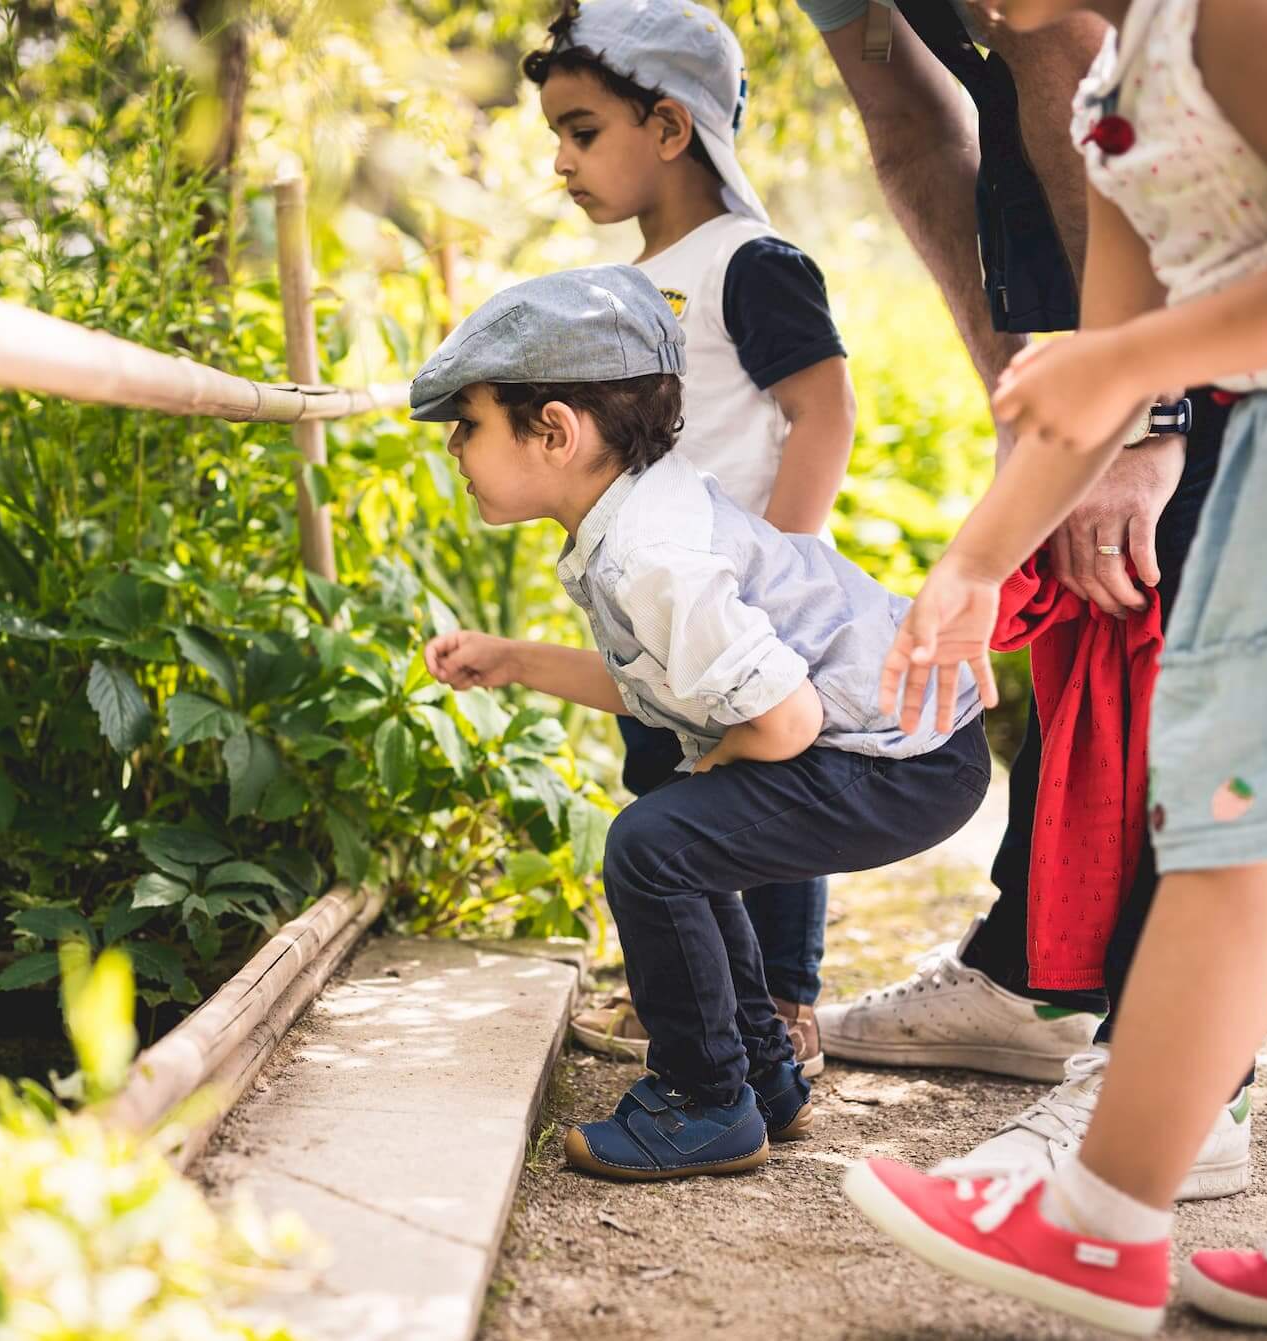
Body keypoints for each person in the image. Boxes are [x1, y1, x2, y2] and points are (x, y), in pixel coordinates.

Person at [845, 0, 1267, 1329]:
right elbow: (1103, 381)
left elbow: (1148, 347)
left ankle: (1099, 1219)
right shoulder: (1115, 93)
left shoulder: (1241, 17)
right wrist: (971, 567)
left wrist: (1139, 355)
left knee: (1234, 821)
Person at [788, 0, 1253, 1199]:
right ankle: (1068, 1020)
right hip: (1219, 366)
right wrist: (987, 549)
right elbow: (1110, 337)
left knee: (1244, 778)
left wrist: (1156, 415)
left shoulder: (1252, 47)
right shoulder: (1107, 104)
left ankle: (1172, 1096)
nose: (974, 19)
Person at [411, 264, 990, 1179]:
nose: (454, 448)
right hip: (907, 738)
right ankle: (759, 1077)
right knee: (682, 836)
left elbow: (788, 718)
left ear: (554, 431)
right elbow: (669, 684)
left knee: (655, 844)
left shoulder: (653, 552)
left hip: (902, 754)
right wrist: (515, 659)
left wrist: (714, 768)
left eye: (468, 425)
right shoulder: (638, 514)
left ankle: (704, 1098)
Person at [518, 0, 858, 1074]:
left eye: (582, 131)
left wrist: (782, 565)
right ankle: (700, 995)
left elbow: (825, 410)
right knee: (669, 796)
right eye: (557, 137)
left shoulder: (751, 262)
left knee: (771, 802)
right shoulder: (627, 285)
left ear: (669, 125)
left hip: (742, 599)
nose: (562, 163)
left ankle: (784, 1004)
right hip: (663, 603)